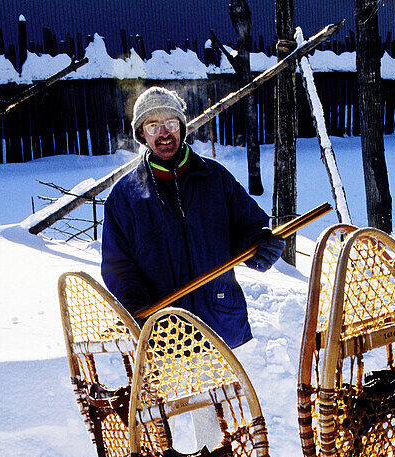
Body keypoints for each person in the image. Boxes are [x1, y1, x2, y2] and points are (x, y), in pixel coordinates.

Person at [101, 86, 284, 350]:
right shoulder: (124, 197)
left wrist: (259, 245)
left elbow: (250, 226)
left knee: (237, 393)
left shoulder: (215, 178)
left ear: (182, 127)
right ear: (141, 133)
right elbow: (118, 266)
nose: (164, 134)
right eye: (153, 126)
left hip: (225, 326)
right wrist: (140, 309)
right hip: (166, 335)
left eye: (170, 123)